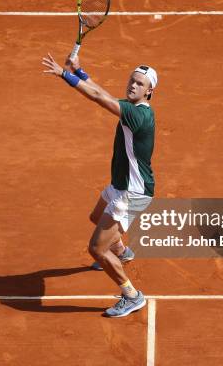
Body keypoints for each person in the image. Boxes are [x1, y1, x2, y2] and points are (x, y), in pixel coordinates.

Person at [41, 53, 157, 317]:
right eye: (131, 80)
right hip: (120, 184)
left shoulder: (138, 116)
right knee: (96, 216)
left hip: (131, 192)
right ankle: (123, 252)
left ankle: (132, 295)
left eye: (139, 84)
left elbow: (98, 98)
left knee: (95, 249)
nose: (132, 85)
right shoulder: (132, 108)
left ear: (149, 91)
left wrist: (64, 75)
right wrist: (81, 73)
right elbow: (102, 93)